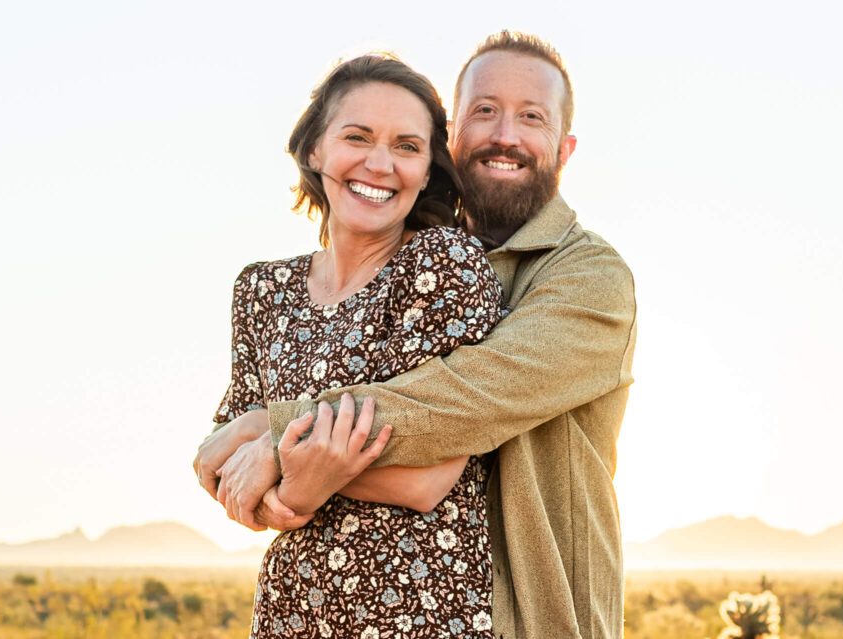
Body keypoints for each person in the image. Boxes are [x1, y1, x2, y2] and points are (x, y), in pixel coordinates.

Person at [201, 31, 637, 639]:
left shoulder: (589, 278)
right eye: (484, 111)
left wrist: (274, 435)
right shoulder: (363, 266)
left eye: (530, 118)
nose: (504, 134)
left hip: (525, 617)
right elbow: (218, 458)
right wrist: (279, 484)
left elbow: (462, 402)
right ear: (451, 140)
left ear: (564, 150)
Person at [202, 54, 506, 637]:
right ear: (315, 150)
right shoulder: (262, 290)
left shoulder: (443, 265)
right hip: (293, 612)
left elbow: (428, 479)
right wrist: (288, 489)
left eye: (408, 146)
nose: (380, 163)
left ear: (426, 171)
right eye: (357, 137)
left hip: (420, 613)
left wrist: (277, 450)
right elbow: (217, 462)